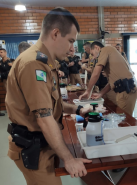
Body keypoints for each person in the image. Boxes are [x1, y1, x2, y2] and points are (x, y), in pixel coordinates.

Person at [5, 8, 93, 185]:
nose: (71, 48)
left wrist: (77, 109)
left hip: (43, 145)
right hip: (33, 149)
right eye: (70, 41)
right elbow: (44, 118)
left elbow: (53, 104)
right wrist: (69, 159)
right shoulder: (34, 64)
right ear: (55, 33)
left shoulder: (46, 64)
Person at [79, 41, 137, 116]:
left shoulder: (105, 50)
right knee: (120, 119)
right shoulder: (110, 57)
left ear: (97, 48)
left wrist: (88, 91)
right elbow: (112, 82)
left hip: (125, 91)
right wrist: (101, 93)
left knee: (122, 121)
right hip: (123, 91)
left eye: (92, 54)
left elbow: (95, 74)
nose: (93, 58)